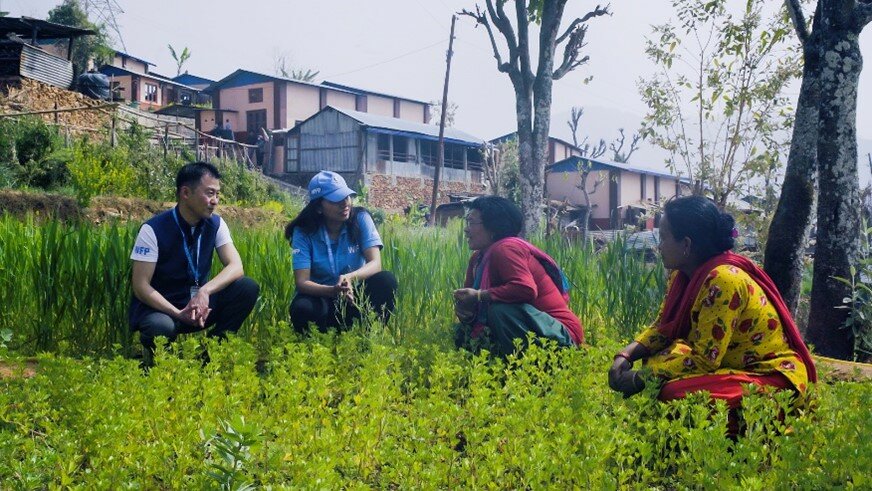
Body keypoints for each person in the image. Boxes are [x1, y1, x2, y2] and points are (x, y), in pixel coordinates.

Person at [608, 196, 816, 426]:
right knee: (657, 360)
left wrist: (640, 379)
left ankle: (729, 442)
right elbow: (663, 328)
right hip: (731, 368)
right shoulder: (682, 276)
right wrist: (626, 355)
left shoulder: (723, 280)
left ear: (686, 245)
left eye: (664, 238)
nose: (659, 246)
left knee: (672, 392)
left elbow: (705, 360)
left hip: (767, 376)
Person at [129, 162, 260, 356]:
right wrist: (177, 312)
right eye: (209, 193)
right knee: (160, 327)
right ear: (185, 193)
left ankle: (210, 355)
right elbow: (141, 286)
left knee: (247, 287)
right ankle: (160, 363)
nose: (215, 201)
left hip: (199, 306)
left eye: (217, 194)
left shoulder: (215, 224)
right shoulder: (153, 230)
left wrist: (205, 291)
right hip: (163, 310)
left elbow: (236, 266)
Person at [453, 196, 584, 356]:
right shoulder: (477, 259)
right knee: (462, 331)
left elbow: (525, 289)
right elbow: (474, 304)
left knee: (500, 311)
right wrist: (466, 311)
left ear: (493, 227)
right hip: (534, 330)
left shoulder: (506, 249)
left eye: (471, 222)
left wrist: (480, 295)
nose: (466, 229)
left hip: (561, 333)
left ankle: (531, 369)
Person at [286, 170, 397, 334]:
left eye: (347, 197)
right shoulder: (303, 231)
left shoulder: (360, 218)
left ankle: (368, 338)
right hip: (321, 297)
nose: (345, 203)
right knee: (302, 307)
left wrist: (349, 278)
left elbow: (375, 264)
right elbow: (302, 283)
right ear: (318, 207)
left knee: (386, 280)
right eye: (336, 200)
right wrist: (332, 291)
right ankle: (318, 343)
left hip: (352, 297)